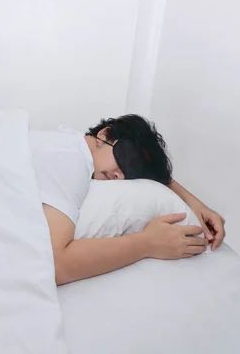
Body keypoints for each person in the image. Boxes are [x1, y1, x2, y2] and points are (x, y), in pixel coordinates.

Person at [29, 114, 226, 286]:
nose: (120, 177)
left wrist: (196, 204)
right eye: (125, 158)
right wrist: (147, 243)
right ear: (104, 134)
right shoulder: (72, 161)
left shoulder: (67, 140)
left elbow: (155, 175)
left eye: (132, 172)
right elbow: (54, 264)